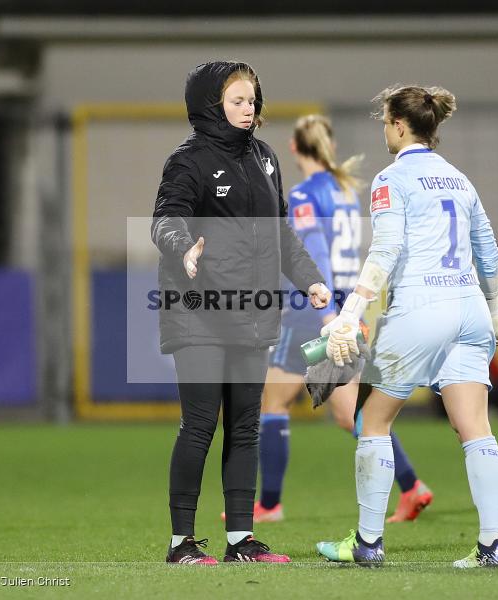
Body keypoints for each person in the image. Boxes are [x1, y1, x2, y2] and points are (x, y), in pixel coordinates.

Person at [315, 85, 498, 568]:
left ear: (399, 126)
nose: (384, 130)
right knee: (476, 429)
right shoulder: (459, 179)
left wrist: (350, 313)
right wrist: (494, 310)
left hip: (421, 308)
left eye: (385, 122)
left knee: (371, 420)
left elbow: (387, 249)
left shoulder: (391, 179)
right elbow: (487, 249)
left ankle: (368, 543)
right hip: (470, 309)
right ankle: (491, 547)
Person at [151, 61, 331, 565]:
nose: (249, 108)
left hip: (251, 313)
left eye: (252, 100)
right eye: (237, 100)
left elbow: (281, 233)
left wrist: (312, 280)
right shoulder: (186, 161)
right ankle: (181, 544)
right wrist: (183, 248)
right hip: (199, 312)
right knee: (200, 425)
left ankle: (241, 541)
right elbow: (165, 220)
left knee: (245, 427)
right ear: (211, 105)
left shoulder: (265, 158)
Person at [248, 114, 433, 525]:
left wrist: (326, 315)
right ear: (328, 145)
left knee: (274, 403)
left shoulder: (304, 196)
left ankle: (270, 505)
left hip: (313, 314)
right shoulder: (344, 191)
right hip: (346, 309)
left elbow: (314, 254)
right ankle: (411, 485)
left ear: (294, 148)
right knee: (352, 414)